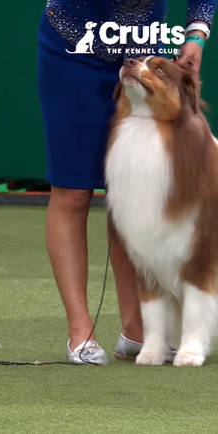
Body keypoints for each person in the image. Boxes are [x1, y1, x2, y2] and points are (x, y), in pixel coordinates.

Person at [37, 0, 215, 365]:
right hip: (74, 49)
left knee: (137, 197)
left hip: (141, 50)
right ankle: (80, 333)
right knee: (72, 191)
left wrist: (197, 32)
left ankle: (137, 330)